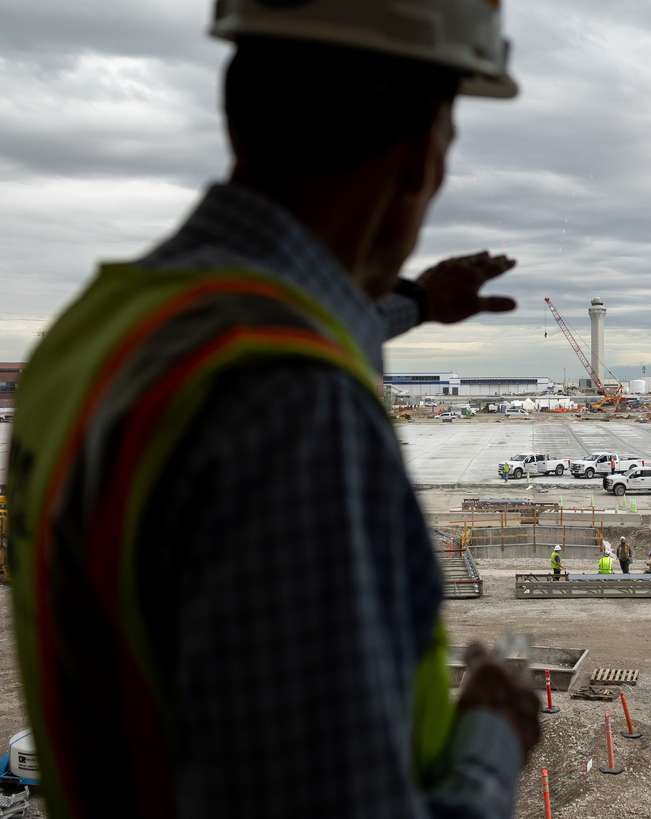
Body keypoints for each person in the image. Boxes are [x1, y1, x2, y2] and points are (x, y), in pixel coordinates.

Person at [4, 2, 540, 817]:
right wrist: (493, 736)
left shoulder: (98, 333)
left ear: (242, 103)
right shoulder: (292, 408)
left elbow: (279, 320)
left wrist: (418, 302)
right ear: (421, 150)